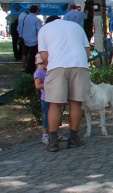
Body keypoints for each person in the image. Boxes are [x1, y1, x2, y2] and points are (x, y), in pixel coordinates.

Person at [38, 19, 92, 152]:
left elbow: (44, 56)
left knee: (54, 104)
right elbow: (88, 52)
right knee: (76, 102)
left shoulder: (44, 29)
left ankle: (53, 141)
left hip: (56, 65)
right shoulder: (76, 26)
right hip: (79, 64)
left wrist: (48, 66)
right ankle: (73, 138)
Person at [33, 53, 67, 145]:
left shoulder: (48, 71)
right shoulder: (39, 72)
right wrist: (49, 84)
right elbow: (37, 85)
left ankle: (56, 133)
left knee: (57, 116)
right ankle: (45, 136)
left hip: (54, 96)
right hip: (46, 98)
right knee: (46, 117)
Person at [18, 5, 42, 75]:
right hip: (34, 39)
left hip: (24, 38)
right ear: (37, 11)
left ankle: (23, 67)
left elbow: (19, 27)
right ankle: (31, 68)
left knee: (25, 53)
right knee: (33, 55)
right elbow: (39, 30)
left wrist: (21, 35)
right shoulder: (36, 20)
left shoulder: (24, 17)